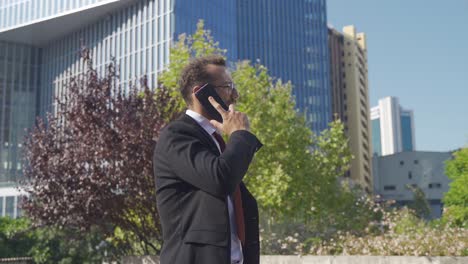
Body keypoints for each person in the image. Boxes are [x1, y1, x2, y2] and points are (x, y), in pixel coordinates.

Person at [153, 55, 263, 264]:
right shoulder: (177, 135)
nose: (235, 95)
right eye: (228, 86)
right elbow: (221, 179)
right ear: (201, 93)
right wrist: (240, 134)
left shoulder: (216, 141)